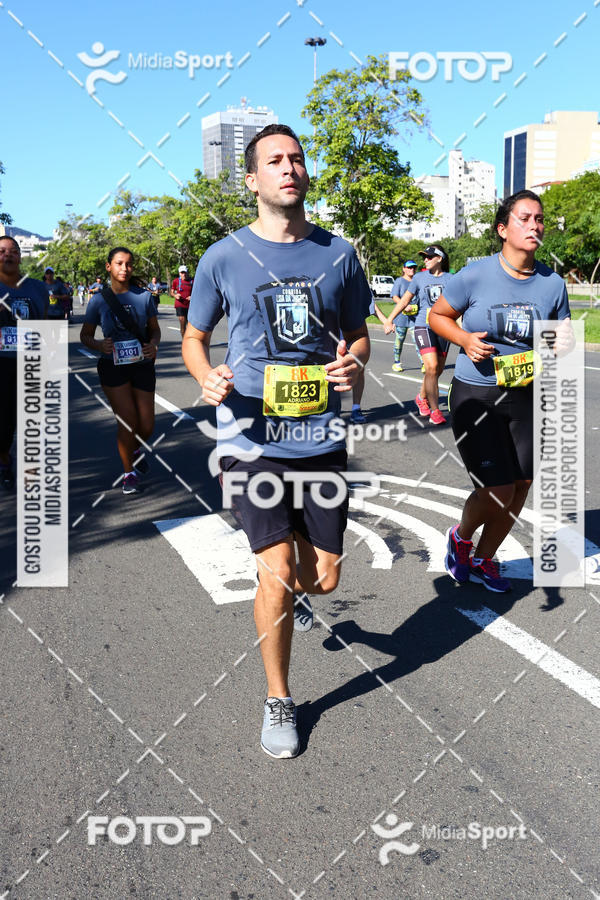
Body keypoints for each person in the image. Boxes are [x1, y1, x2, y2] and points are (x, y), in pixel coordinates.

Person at [182, 123, 371, 759]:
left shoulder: (339, 254)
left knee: (323, 580)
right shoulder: (223, 256)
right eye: (274, 160)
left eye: (296, 159)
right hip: (249, 436)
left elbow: (357, 334)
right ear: (252, 179)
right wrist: (208, 376)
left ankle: (293, 588)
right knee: (278, 570)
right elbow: (193, 337)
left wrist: (353, 365)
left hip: (319, 436)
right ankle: (279, 698)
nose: (288, 168)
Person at [429, 190, 571, 593]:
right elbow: (437, 315)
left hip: (527, 393)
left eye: (539, 219)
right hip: (477, 393)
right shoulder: (475, 275)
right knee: (498, 487)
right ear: (502, 229)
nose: (534, 226)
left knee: (522, 484)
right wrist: (464, 339)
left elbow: (561, 334)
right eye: (524, 219)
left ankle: (485, 559)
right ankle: (461, 536)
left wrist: (561, 344)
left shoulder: (553, 283)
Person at [80, 247, 160, 496]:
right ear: (109, 267)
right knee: (127, 421)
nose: (124, 268)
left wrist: (153, 345)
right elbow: (85, 335)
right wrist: (99, 345)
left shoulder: (144, 297)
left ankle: (134, 450)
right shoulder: (98, 300)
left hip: (142, 365)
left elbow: (155, 330)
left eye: (128, 264)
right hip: (112, 367)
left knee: (146, 425)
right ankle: (129, 473)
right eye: (118, 263)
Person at [384, 245, 452, 425]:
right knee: (431, 366)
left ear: (440, 258)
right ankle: (435, 411)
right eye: (424, 257)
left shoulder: (451, 279)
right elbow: (404, 300)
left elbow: (459, 305)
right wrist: (389, 319)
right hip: (423, 325)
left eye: (429, 257)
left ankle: (422, 397)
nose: (425, 260)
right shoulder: (419, 278)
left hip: (444, 328)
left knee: (436, 370)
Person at [0, 236, 48, 489]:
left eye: (13, 251)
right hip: (2, 364)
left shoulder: (37, 288)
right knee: (4, 423)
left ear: (20, 256)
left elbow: (46, 325)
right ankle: (5, 457)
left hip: (32, 362)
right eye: (2, 251)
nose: (8, 255)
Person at [389, 260, 419, 372]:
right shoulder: (400, 281)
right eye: (409, 267)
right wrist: (404, 305)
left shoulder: (417, 281)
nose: (412, 269)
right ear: (404, 269)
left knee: (418, 340)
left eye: (414, 268)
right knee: (399, 340)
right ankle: (396, 363)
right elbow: (394, 296)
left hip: (414, 317)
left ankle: (424, 363)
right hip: (401, 317)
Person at [171, 265, 193, 338]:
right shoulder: (176, 281)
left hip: (189, 305)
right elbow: (171, 292)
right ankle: (184, 341)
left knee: (189, 325)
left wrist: (192, 297)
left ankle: (188, 338)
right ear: (179, 273)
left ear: (187, 273)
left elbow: (197, 292)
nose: (184, 274)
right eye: (182, 273)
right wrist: (175, 295)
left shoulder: (192, 281)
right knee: (182, 322)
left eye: (185, 272)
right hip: (180, 304)